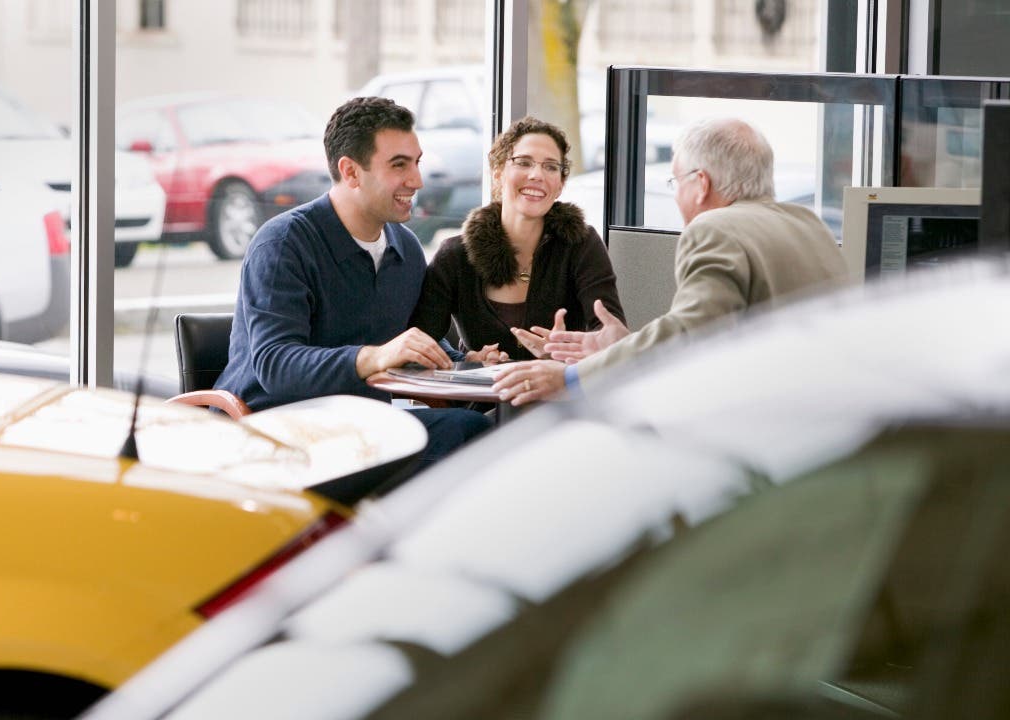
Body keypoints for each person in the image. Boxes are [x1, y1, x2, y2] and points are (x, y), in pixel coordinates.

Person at [491, 117, 849, 404]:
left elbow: (690, 332)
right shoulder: (809, 225)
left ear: (701, 183)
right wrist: (621, 346)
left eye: (676, 181)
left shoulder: (715, 227)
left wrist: (571, 378)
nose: (677, 196)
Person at [215, 96, 492, 467]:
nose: (417, 180)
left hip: (360, 428)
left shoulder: (405, 249)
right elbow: (275, 364)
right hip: (274, 434)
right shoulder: (283, 244)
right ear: (351, 172)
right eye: (399, 165)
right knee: (463, 435)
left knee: (482, 431)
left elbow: (407, 337)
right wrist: (375, 357)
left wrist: (464, 363)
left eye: (417, 163)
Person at [410, 116, 624, 363]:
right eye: (523, 162)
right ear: (498, 172)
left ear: (561, 184)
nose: (537, 175)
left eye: (551, 167)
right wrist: (466, 362)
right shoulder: (455, 255)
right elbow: (420, 343)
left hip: (560, 398)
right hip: (481, 400)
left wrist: (567, 357)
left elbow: (610, 336)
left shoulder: (581, 244)